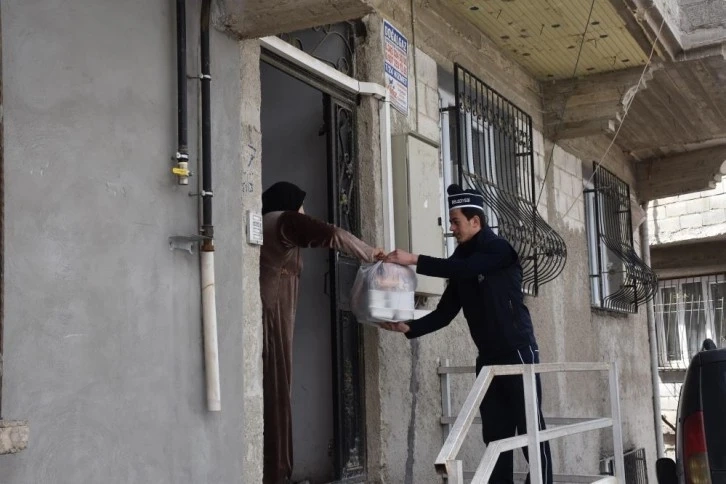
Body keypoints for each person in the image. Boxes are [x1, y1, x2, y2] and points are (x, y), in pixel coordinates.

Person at [382, 184, 553, 484]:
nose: (451, 228)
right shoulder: (460, 262)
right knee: (496, 435)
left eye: (456, 221)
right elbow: (445, 313)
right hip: (487, 359)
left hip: (517, 352)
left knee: (530, 429)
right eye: (450, 221)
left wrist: (413, 260)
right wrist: (407, 327)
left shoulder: (499, 250)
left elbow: (467, 268)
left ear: (476, 222)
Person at [260, 181, 384, 484]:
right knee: (277, 394)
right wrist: (370, 252)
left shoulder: (266, 223)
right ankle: (276, 476)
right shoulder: (283, 221)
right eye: (302, 204)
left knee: (274, 393)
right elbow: (330, 233)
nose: (306, 211)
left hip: (270, 315)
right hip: (273, 319)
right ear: (292, 204)